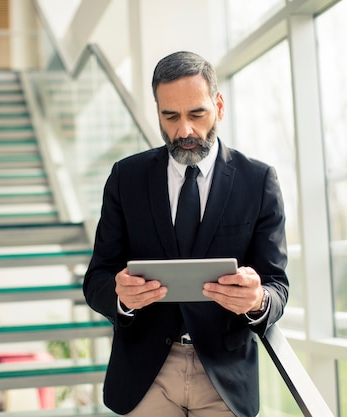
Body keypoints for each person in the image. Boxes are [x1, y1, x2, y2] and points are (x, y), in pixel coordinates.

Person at [83, 51, 288, 417]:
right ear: (157, 111)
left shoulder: (258, 181)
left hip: (224, 376)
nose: (184, 131)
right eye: (170, 116)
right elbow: (97, 277)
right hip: (146, 377)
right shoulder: (125, 178)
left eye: (197, 114)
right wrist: (122, 297)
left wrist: (258, 301)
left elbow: (276, 285)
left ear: (219, 106)